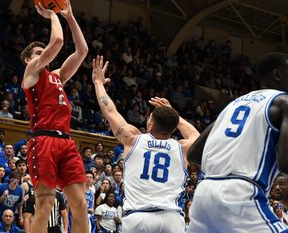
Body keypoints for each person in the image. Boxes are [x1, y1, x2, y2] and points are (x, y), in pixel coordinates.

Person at [91, 55, 199, 233]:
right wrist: (176, 117)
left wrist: (98, 83)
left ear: (151, 124)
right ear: (173, 128)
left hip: (138, 217)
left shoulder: (133, 139)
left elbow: (109, 110)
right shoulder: (182, 147)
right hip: (171, 219)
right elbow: (196, 135)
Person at [186, 52, 288, 233]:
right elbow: (285, 163)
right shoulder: (283, 101)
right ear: (278, 75)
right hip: (241, 195)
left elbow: (193, 153)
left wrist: (225, 167)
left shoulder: (232, 105)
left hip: (204, 193)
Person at [20, 1, 89, 233]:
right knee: (46, 203)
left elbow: (82, 51)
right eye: (39, 53)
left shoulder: (57, 76)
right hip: (43, 141)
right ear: (29, 59)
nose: (44, 55)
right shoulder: (31, 73)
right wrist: (51, 14)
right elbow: (57, 41)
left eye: (43, 52)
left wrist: (69, 17)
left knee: (80, 204)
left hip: (66, 142)